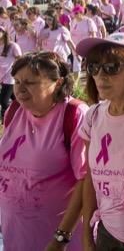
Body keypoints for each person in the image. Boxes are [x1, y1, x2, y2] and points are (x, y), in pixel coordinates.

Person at [0, 52, 88, 250]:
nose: (20, 90)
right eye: (17, 81)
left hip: (57, 240)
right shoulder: (14, 111)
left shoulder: (74, 114)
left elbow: (86, 181)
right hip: (15, 233)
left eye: (30, 83)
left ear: (57, 83)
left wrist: (61, 238)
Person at [76, 33, 124, 250]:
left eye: (111, 67)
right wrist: (86, 234)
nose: (100, 75)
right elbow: (90, 177)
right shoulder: (92, 117)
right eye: (93, 67)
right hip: (108, 233)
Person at [0, 25, 21, 118]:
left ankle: (6, 120)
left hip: (10, 76)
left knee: (4, 101)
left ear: (4, 33)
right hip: (1, 76)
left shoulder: (12, 46)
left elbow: (20, 59)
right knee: (17, 100)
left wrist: (16, 72)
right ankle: (22, 114)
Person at [69, 5, 97, 73]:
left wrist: (93, 46)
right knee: (76, 68)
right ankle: (77, 82)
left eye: (76, 13)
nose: (74, 15)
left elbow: (93, 35)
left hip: (87, 46)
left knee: (90, 66)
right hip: (76, 47)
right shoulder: (73, 22)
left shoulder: (88, 21)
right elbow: (70, 35)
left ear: (81, 12)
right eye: (73, 13)